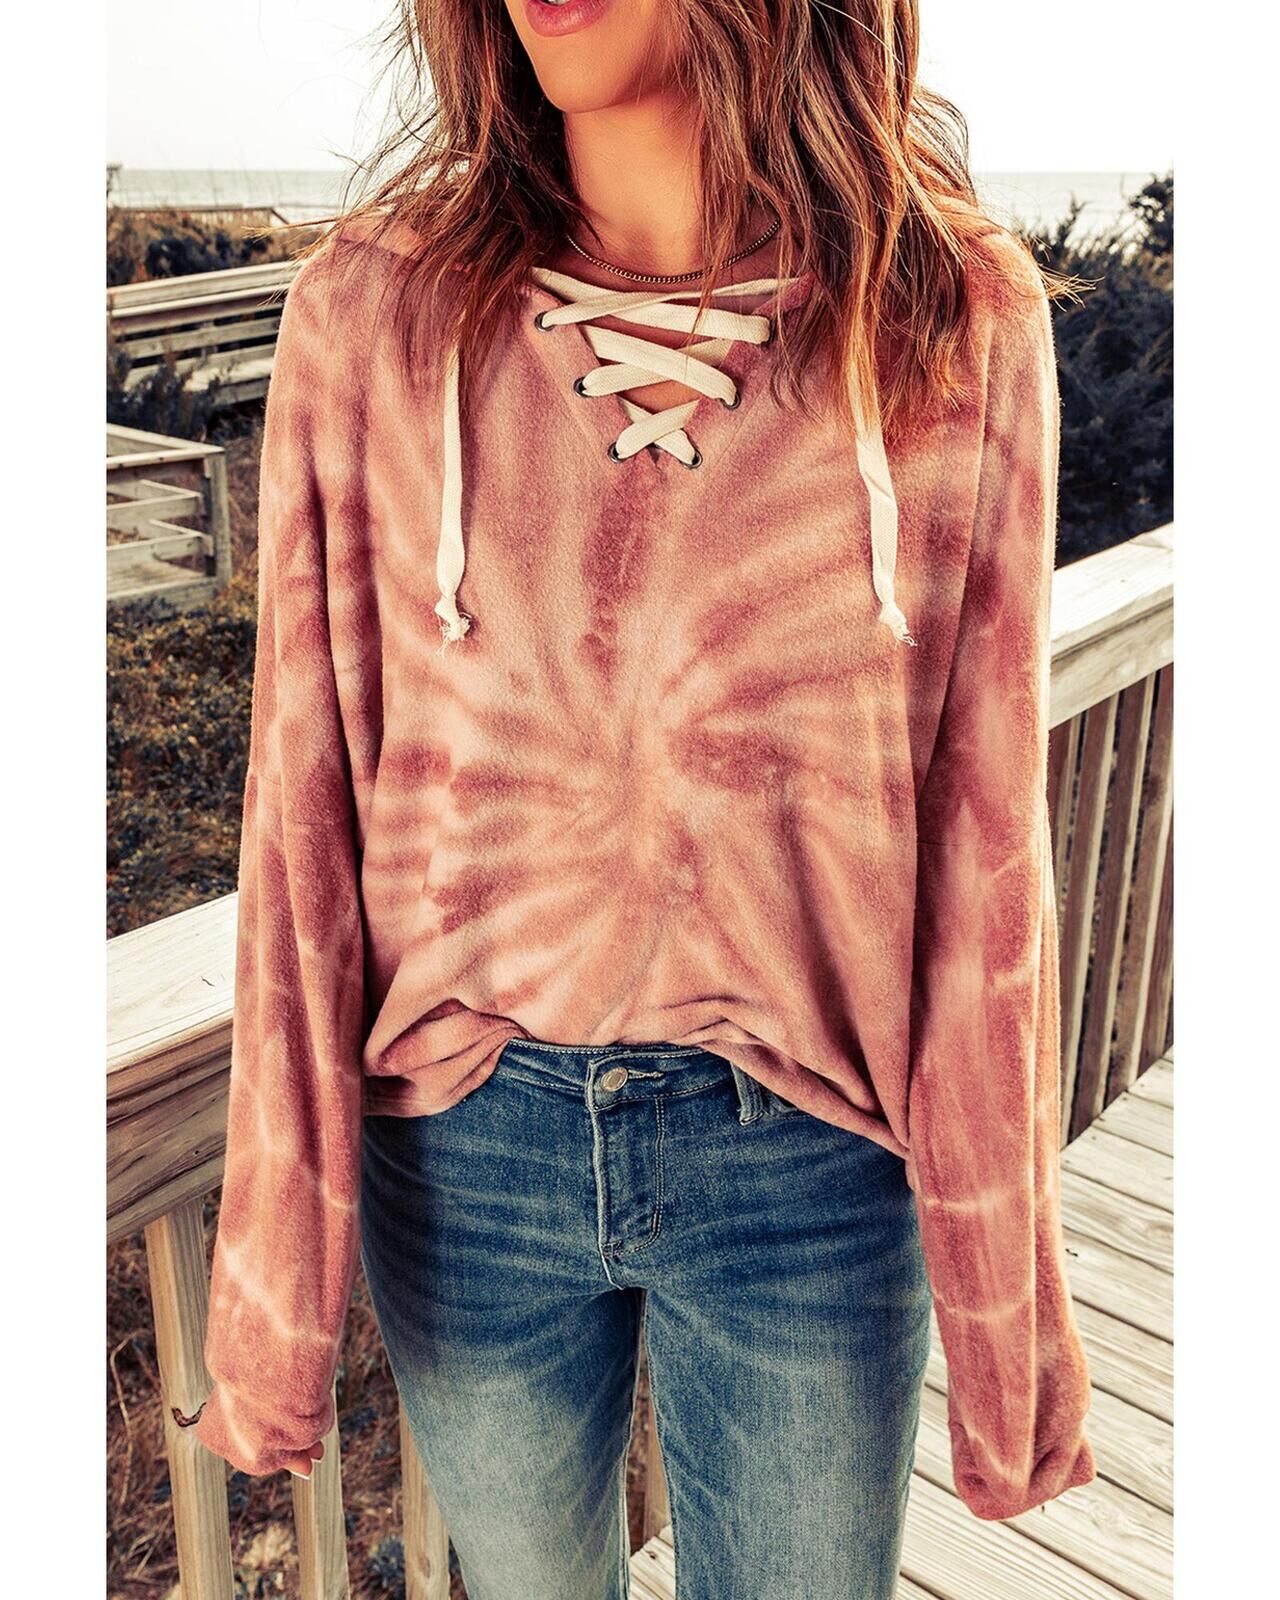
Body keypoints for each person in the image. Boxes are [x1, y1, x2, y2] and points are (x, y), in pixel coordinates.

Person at [186, 2, 1098, 1595]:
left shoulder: (949, 315)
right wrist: (272, 1316)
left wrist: (1010, 1330)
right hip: (466, 1149)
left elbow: (986, 843)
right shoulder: (373, 312)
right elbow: (302, 808)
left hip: (811, 1155)